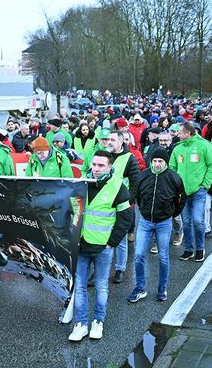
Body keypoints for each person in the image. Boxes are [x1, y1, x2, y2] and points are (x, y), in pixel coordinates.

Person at [68, 150, 132, 342]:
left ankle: (98, 322)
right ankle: (80, 324)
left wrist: (111, 243)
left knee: (102, 286)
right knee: (79, 286)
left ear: (110, 167)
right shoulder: (80, 183)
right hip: (80, 244)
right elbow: (70, 210)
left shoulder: (117, 187)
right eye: (94, 164)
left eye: (101, 165)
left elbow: (126, 217)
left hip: (103, 247)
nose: (96, 169)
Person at [129, 148, 185, 303]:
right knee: (139, 254)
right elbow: (138, 195)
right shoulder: (144, 175)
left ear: (165, 162)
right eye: (154, 161)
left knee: (163, 257)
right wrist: (145, 209)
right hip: (145, 221)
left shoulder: (174, 178)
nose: (157, 164)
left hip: (164, 223)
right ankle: (140, 288)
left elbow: (181, 199)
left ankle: (162, 288)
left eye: (160, 161)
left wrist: (171, 214)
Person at [169, 122, 212, 262]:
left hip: (198, 191)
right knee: (186, 222)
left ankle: (200, 249)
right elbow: (172, 167)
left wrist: (205, 184)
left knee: (198, 220)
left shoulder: (203, 145)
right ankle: (188, 249)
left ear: (188, 133)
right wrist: (175, 185)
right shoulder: (177, 148)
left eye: (180, 132)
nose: (178, 134)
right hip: (183, 193)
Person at [105, 130, 140, 282]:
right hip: (104, 203)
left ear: (121, 142)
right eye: (107, 139)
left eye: (112, 140)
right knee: (102, 237)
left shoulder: (129, 158)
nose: (109, 142)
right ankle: (102, 270)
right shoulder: (104, 156)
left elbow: (135, 182)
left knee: (120, 239)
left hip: (122, 203)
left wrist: (129, 201)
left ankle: (120, 269)